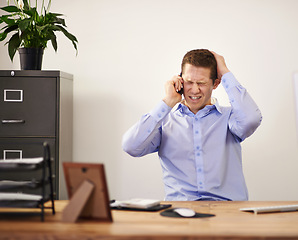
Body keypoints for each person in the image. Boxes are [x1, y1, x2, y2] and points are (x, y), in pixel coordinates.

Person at [122, 49, 262, 201]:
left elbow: (251, 119)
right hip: (180, 212)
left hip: (227, 212)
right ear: (180, 81)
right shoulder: (164, 122)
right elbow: (131, 146)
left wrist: (225, 72)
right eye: (189, 82)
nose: (194, 90)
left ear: (215, 84)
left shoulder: (230, 118)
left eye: (201, 83)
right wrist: (168, 101)